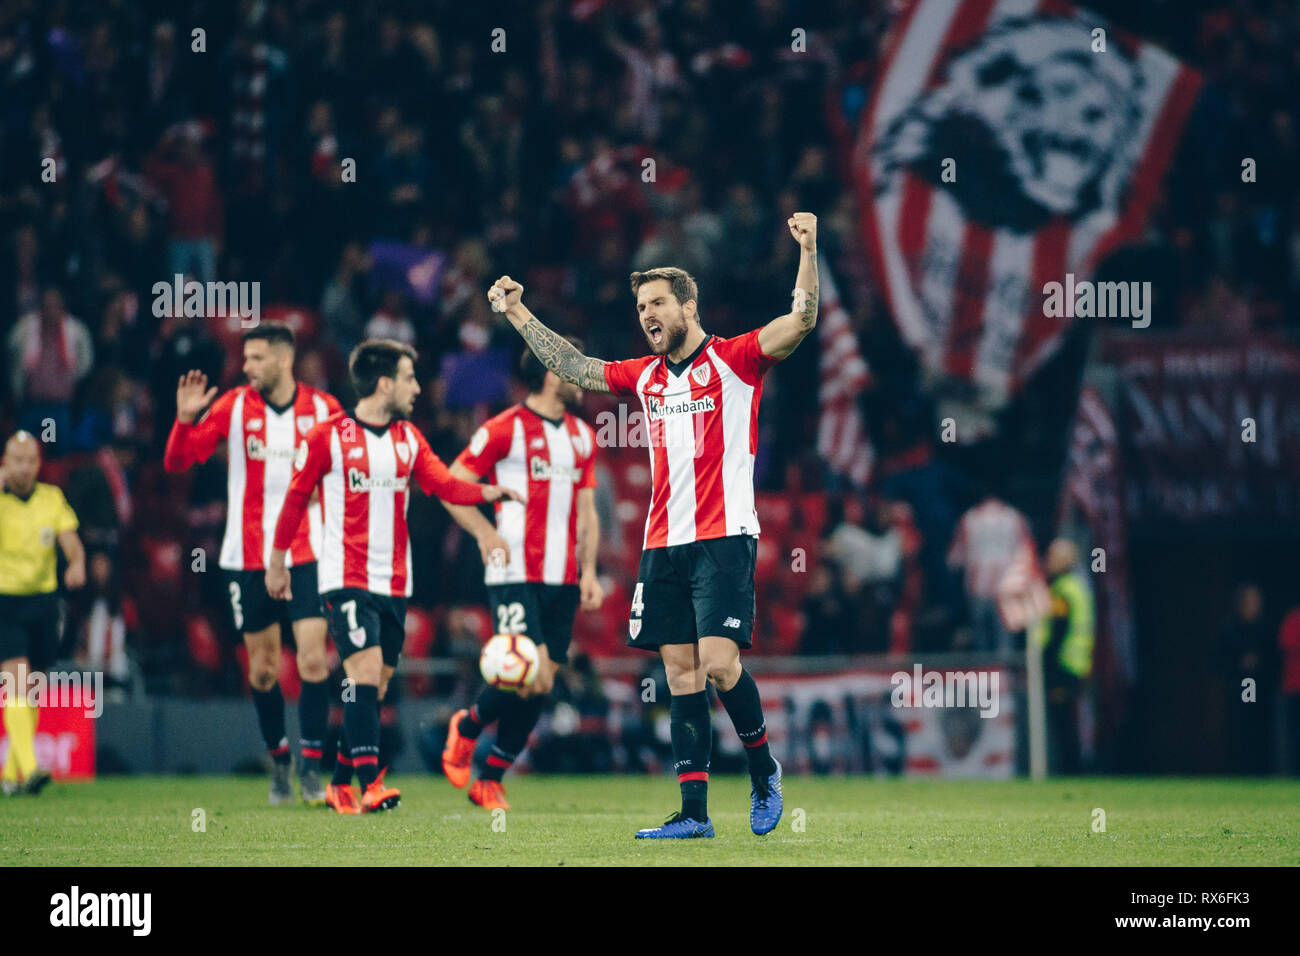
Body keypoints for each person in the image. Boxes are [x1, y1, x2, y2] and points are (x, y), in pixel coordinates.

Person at [488, 210, 822, 838]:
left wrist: (808, 249)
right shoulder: (644, 376)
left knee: (721, 665)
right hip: (663, 543)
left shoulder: (737, 361)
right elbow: (575, 367)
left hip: (723, 538)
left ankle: (763, 772)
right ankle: (694, 815)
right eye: (642, 305)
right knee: (679, 675)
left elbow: (801, 321)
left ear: (688, 305)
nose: (648, 314)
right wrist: (517, 312)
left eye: (659, 302)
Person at [266, 339, 522, 814]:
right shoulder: (327, 437)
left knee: (376, 686)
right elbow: (295, 500)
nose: (417, 387)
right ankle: (371, 783)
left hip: (395, 581)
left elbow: (443, 484)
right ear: (384, 383)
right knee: (361, 674)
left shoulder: (408, 438)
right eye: (409, 377)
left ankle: (339, 782)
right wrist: (278, 562)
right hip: (345, 575)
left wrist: (489, 490)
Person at [163, 322, 342, 805]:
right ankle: (279, 760)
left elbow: (350, 476)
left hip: (308, 555)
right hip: (247, 557)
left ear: (284, 359)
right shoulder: (235, 406)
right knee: (262, 671)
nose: (246, 367)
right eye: (246, 358)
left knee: (310, 659)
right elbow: (180, 462)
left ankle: (310, 767)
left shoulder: (325, 410)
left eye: (256, 358)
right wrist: (184, 421)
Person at [440, 341, 605, 811]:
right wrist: (482, 531)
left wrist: (588, 571)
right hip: (514, 570)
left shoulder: (581, 436)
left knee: (545, 682)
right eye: (572, 371)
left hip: (563, 578)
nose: (580, 379)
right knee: (528, 675)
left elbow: (587, 512)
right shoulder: (504, 428)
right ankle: (468, 728)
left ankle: (488, 775)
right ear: (552, 375)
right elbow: (452, 485)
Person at [0, 431, 86, 795]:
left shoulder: (52, 499)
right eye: (16, 460)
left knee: (32, 687)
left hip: (43, 603)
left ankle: (9, 776)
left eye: (29, 460)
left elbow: (71, 542)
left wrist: (76, 563)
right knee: (16, 680)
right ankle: (33, 770)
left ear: (38, 464)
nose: (23, 467)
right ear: (5, 463)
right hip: (6, 601)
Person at [1033, 539, 1094, 775]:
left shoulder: (1063, 589)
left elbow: (1058, 629)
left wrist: (1046, 660)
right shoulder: (1079, 586)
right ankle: (1073, 769)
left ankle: (1071, 771)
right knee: (1071, 722)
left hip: (1062, 665)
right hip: (1077, 664)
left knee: (1064, 725)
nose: (1047, 561)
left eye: (1052, 556)